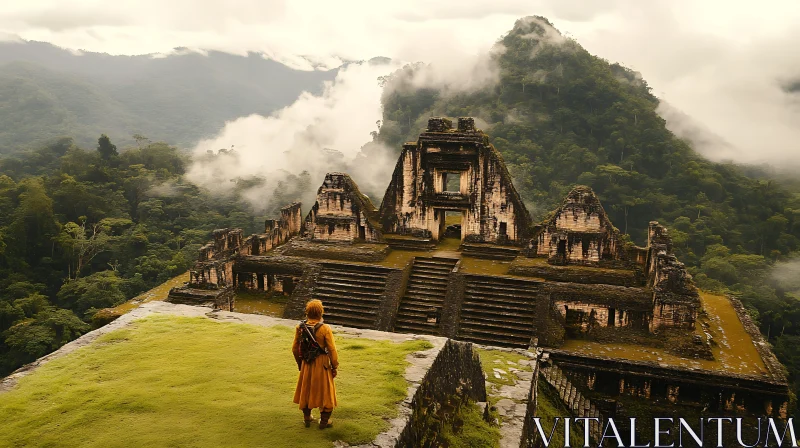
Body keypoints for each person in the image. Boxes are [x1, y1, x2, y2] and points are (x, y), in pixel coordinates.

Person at [292, 299, 339, 429]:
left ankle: (307, 418)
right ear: (320, 312)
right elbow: (332, 350)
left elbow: (295, 348)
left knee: (306, 389)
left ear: (307, 312)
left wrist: (300, 363)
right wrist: (334, 366)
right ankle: (324, 422)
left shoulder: (300, 328)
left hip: (307, 363)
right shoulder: (325, 328)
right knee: (326, 392)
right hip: (322, 363)